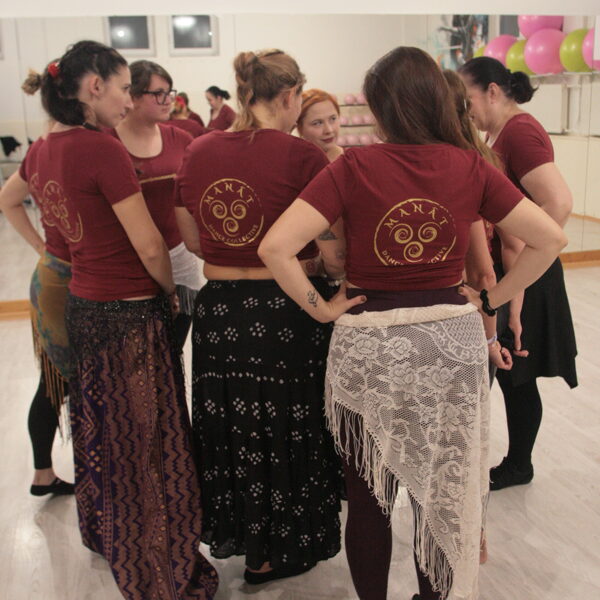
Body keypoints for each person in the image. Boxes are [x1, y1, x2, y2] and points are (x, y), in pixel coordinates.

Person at [258, 46, 566, 600]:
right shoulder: (469, 165)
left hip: (367, 347)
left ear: (380, 107)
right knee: (440, 497)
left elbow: (275, 247)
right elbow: (551, 238)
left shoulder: (351, 166)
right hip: (448, 343)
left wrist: (321, 309)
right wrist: (492, 298)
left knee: (369, 501)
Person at [24, 40, 218, 600]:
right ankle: (155, 561)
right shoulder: (101, 149)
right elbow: (151, 246)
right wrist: (170, 293)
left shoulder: (42, 149)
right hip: (128, 311)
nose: (129, 100)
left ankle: (106, 530)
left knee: (102, 429)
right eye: (125, 88)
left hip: (83, 304)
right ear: (94, 87)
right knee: (146, 442)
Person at [175, 49, 344, 585]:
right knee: (290, 424)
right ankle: (284, 544)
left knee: (233, 426)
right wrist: (315, 270)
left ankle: (251, 545)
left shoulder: (198, 149)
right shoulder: (303, 157)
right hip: (286, 310)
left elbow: (192, 238)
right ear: (291, 96)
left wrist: (235, 250)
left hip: (220, 312)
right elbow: (334, 257)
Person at [458, 56, 578, 491]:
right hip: (510, 271)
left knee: (515, 373)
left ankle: (518, 464)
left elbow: (558, 202)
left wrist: (523, 263)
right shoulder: (498, 134)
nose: (464, 108)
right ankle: (513, 462)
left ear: (492, 91)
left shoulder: (520, 132)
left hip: (523, 274)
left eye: (467, 98)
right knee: (510, 374)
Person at [0, 121, 74, 498]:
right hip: (65, 281)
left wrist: (42, 248)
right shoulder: (76, 147)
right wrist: (42, 246)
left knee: (53, 382)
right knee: (57, 382)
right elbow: (7, 199)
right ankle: (44, 472)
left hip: (52, 276)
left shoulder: (42, 148)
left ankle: (43, 472)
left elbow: (8, 199)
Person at [111, 60, 203, 351]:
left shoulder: (181, 139)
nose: (168, 100)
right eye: (159, 94)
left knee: (172, 350)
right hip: (130, 260)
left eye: (170, 92)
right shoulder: (108, 143)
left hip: (179, 256)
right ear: (134, 97)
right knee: (138, 355)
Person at [297, 88, 344, 162]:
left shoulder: (351, 162)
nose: (329, 130)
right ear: (300, 128)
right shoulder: (292, 163)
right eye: (317, 123)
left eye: (333, 119)